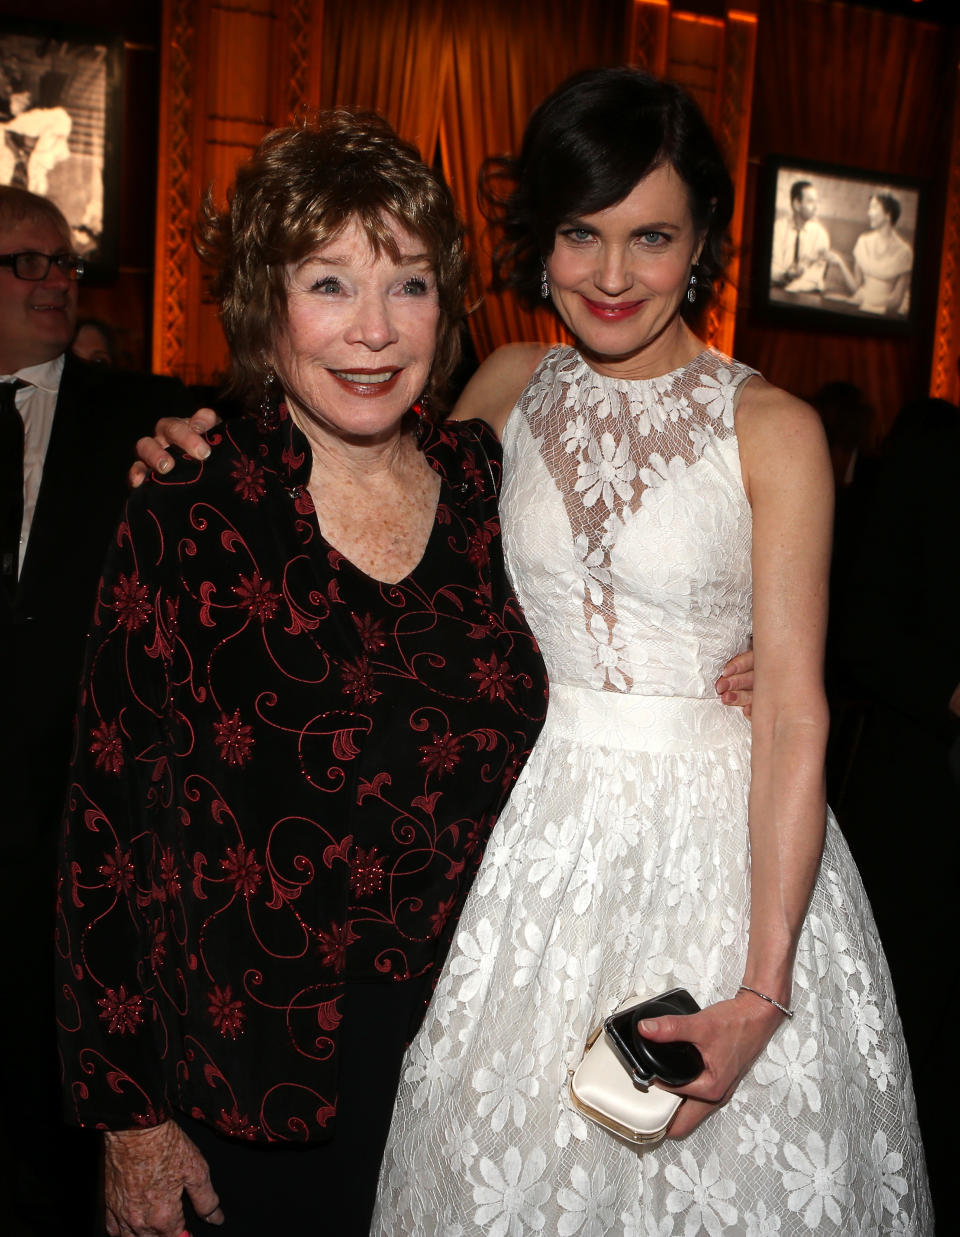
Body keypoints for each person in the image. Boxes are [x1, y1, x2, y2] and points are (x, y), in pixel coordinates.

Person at [368, 68, 931, 1233]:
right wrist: (212, 450)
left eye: (651, 236)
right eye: (583, 233)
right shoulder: (509, 384)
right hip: (527, 847)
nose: (613, 276)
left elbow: (794, 712)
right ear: (541, 236)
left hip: (724, 853)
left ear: (704, 242)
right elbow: (379, 553)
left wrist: (761, 994)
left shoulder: (772, 427)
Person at [55, 111, 550, 1237]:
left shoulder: (493, 492)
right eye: (330, 283)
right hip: (250, 1084)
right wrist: (131, 1121)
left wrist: (744, 655)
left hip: (483, 1064)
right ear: (261, 305)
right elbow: (104, 830)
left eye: (409, 285)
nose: (373, 332)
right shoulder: (193, 504)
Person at [0, 185, 196, 1237]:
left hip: (69, 836)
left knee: (49, 1134)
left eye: (62, 262)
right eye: (23, 263)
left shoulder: (144, 417)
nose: (53, 281)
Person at [825, 190, 913, 315]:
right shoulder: (863, 241)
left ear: (888, 214)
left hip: (884, 312)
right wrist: (840, 262)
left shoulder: (904, 252)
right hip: (860, 305)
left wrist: (867, 304)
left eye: (874, 208)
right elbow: (856, 288)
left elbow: (896, 301)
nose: (869, 213)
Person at [769, 179, 830, 289]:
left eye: (817, 202)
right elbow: (772, 265)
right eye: (811, 201)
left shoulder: (821, 235)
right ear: (797, 204)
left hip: (805, 292)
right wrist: (786, 275)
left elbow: (816, 275)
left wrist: (793, 284)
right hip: (777, 287)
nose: (816, 207)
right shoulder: (779, 227)